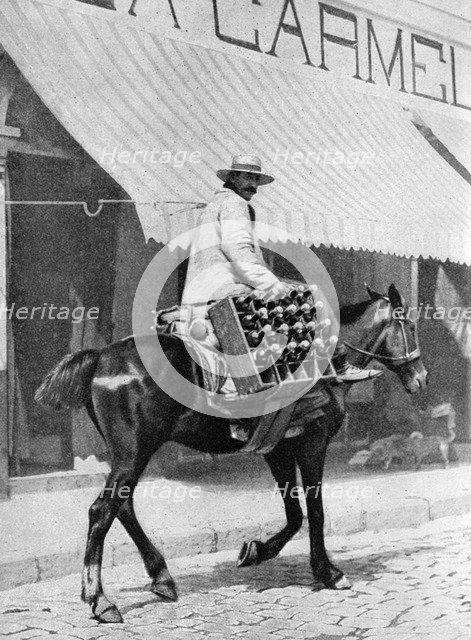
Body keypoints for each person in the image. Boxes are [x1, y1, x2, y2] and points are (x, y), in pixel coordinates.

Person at [182, 154, 381, 383]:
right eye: (248, 177)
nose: (254, 186)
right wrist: (273, 285)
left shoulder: (213, 205)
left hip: (204, 291)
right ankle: (340, 363)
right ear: (233, 177)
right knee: (313, 296)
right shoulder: (234, 204)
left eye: (256, 179)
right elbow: (238, 251)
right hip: (228, 290)